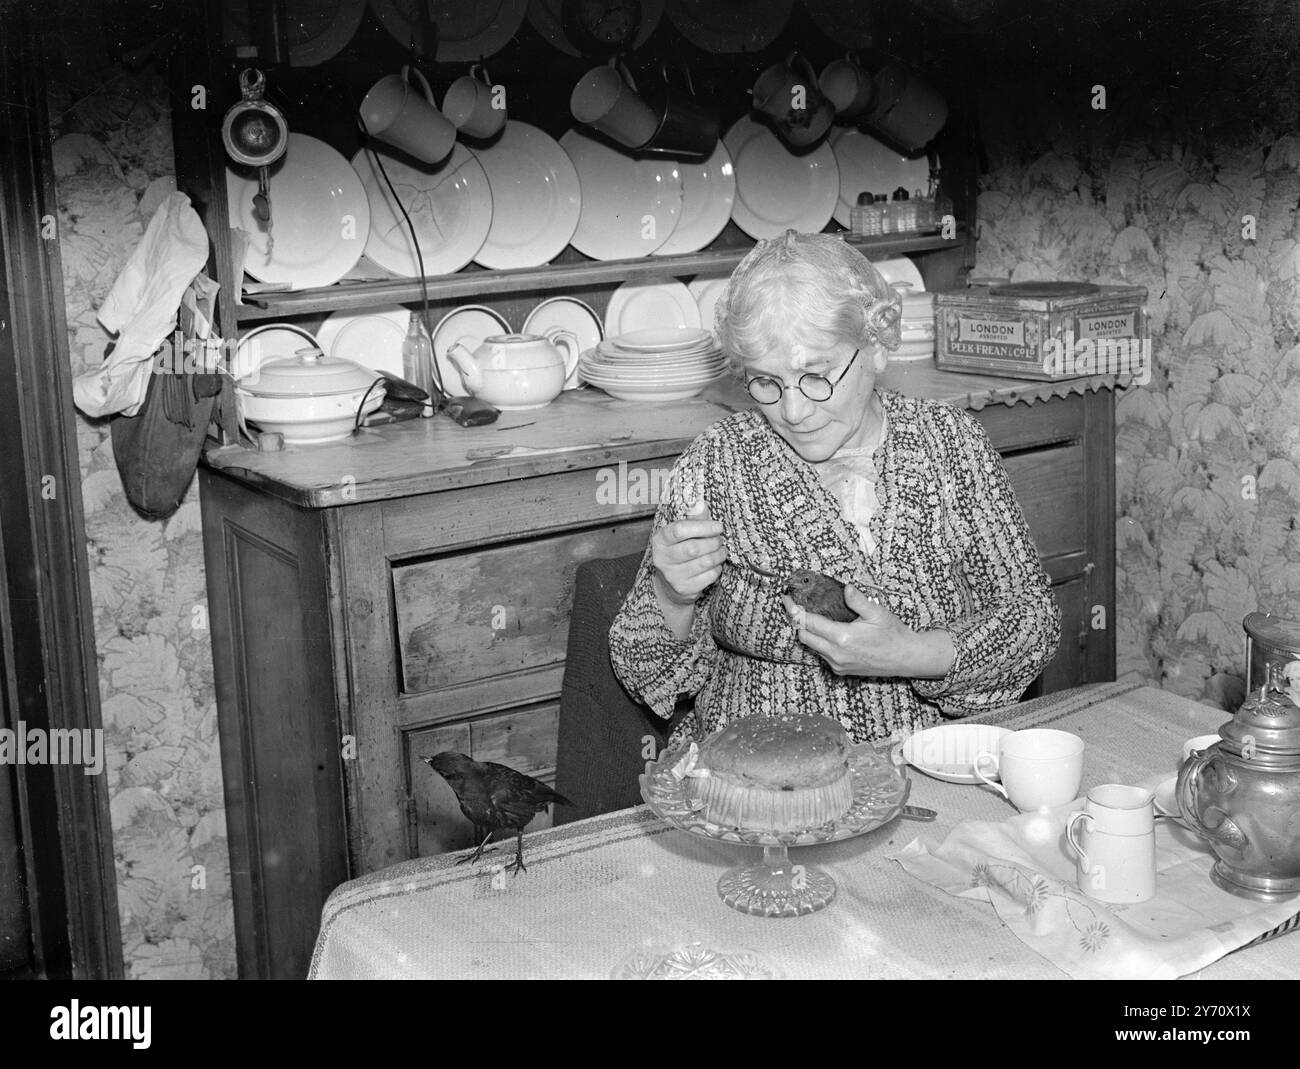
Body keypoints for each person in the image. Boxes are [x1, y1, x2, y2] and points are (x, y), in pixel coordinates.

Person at [608, 230, 1061, 744]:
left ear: (875, 348)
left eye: (816, 376)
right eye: (765, 382)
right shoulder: (717, 463)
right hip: (759, 771)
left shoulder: (950, 444)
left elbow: (1033, 623)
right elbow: (644, 670)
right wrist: (672, 596)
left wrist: (911, 654)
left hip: (934, 761)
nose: (794, 412)